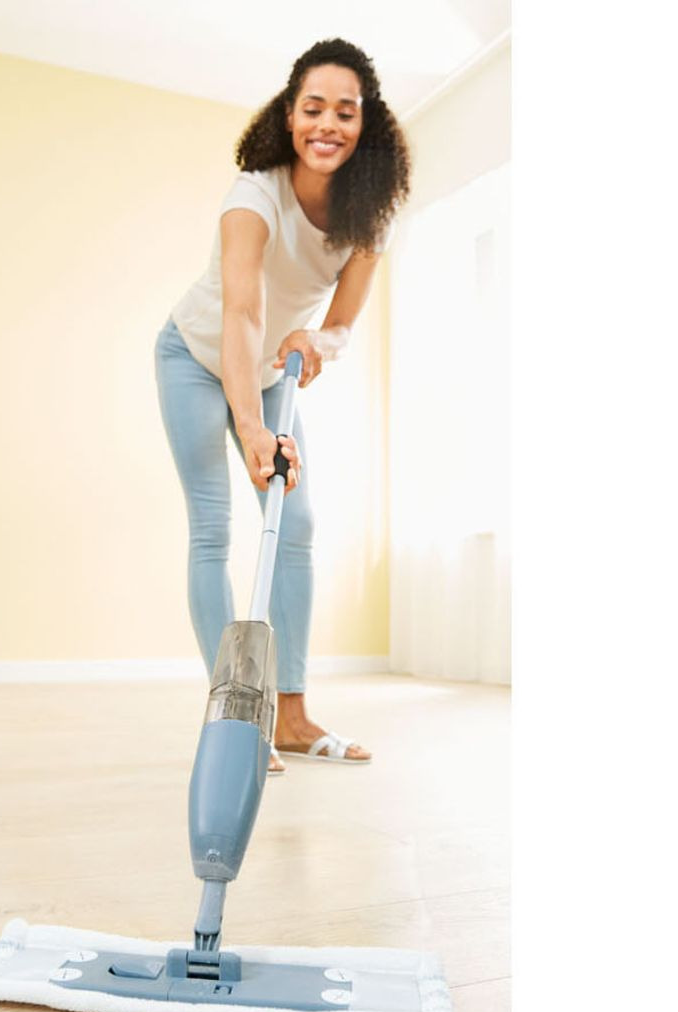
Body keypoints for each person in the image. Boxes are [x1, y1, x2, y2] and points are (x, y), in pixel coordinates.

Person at [155, 38, 411, 774]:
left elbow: (341, 325)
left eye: (345, 112)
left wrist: (317, 342)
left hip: (272, 371)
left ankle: (292, 718)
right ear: (289, 115)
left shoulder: (369, 215)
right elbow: (241, 314)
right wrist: (252, 429)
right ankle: (236, 720)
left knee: (294, 526)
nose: (327, 125)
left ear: (366, 123)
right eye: (313, 108)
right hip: (194, 358)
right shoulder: (254, 197)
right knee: (214, 529)